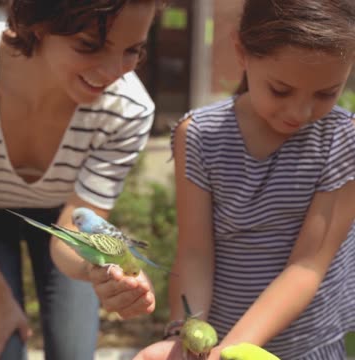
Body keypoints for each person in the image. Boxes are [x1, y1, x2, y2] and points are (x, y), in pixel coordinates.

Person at [134, 0, 355, 359]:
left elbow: (307, 266)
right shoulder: (200, 136)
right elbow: (194, 253)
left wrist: (232, 350)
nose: (300, 112)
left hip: (307, 347)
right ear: (241, 51)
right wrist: (184, 333)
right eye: (280, 90)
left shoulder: (342, 140)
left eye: (326, 94)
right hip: (214, 341)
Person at [0, 0, 164, 359]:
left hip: (64, 213)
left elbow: (76, 228)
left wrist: (99, 267)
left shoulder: (127, 109)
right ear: (37, 23)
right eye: (89, 45)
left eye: (132, 50)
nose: (112, 72)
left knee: (73, 351)